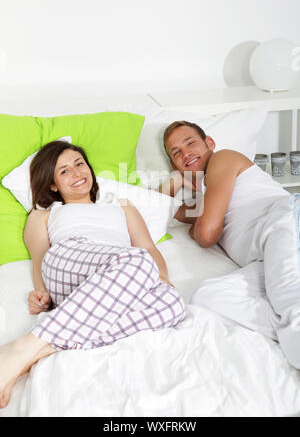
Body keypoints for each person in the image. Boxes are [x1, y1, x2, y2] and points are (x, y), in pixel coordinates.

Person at [0, 140, 185, 409]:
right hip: (69, 261)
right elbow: (41, 259)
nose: (76, 173)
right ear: (52, 184)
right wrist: (42, 293)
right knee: (139, 261)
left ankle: (34, 352)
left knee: (173, 303)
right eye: (64, 171)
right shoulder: (44, 215)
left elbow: (148, 247)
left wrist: (163, 278)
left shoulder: (121, 206)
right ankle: (25, 346)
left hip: (119, 278)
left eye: (79, 164)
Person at [159, 119, 300, 370]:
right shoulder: (206, 198)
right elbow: (161, 211)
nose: (185, 153)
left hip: (285, 222)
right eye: (176, 153)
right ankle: (289, 327)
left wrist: (198, 228)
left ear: (209, 143)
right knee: (207, 299)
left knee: (290, 301)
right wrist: (171, 185)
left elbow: (207, 234)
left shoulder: (223, 159)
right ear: (174, 165)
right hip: (265, 258)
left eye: (190, 143)